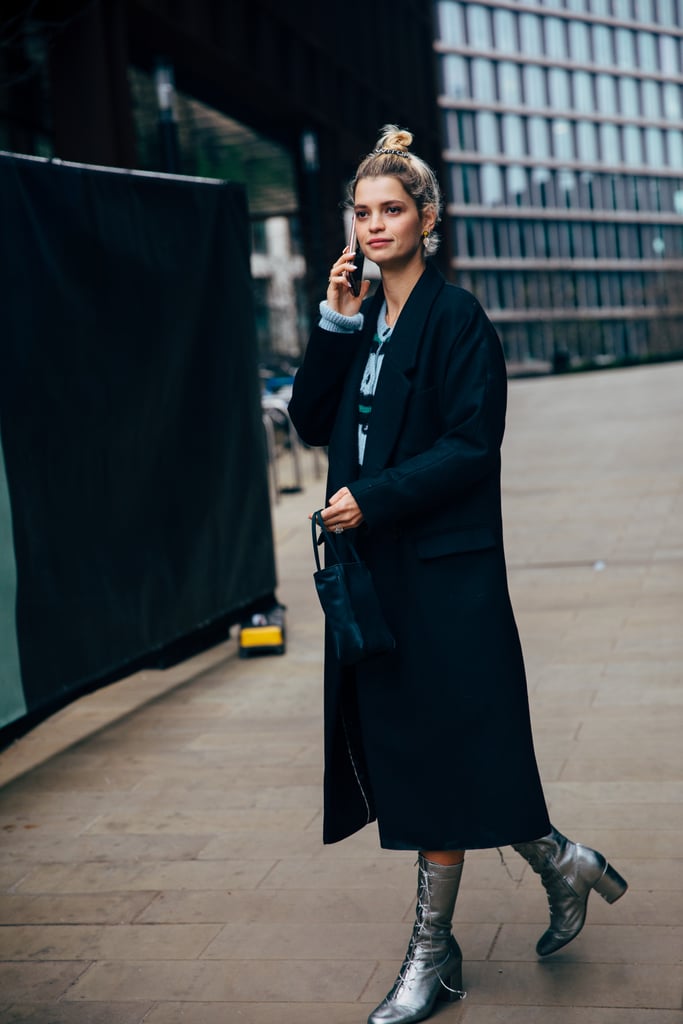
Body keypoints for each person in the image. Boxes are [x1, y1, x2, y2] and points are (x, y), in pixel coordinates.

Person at [288, 126, 627, 1024]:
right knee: (433, 752)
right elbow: (313, 420)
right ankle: (564, 864)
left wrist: (374, 498)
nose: (372, 226)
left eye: (390, 210)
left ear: (427, 219)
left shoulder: (457, 318)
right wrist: (331, 320)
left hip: (444, 577)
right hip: (377, 575)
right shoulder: (363, 318)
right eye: (360, 213)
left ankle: (432, 959)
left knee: (445, 755)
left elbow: (472, 446)